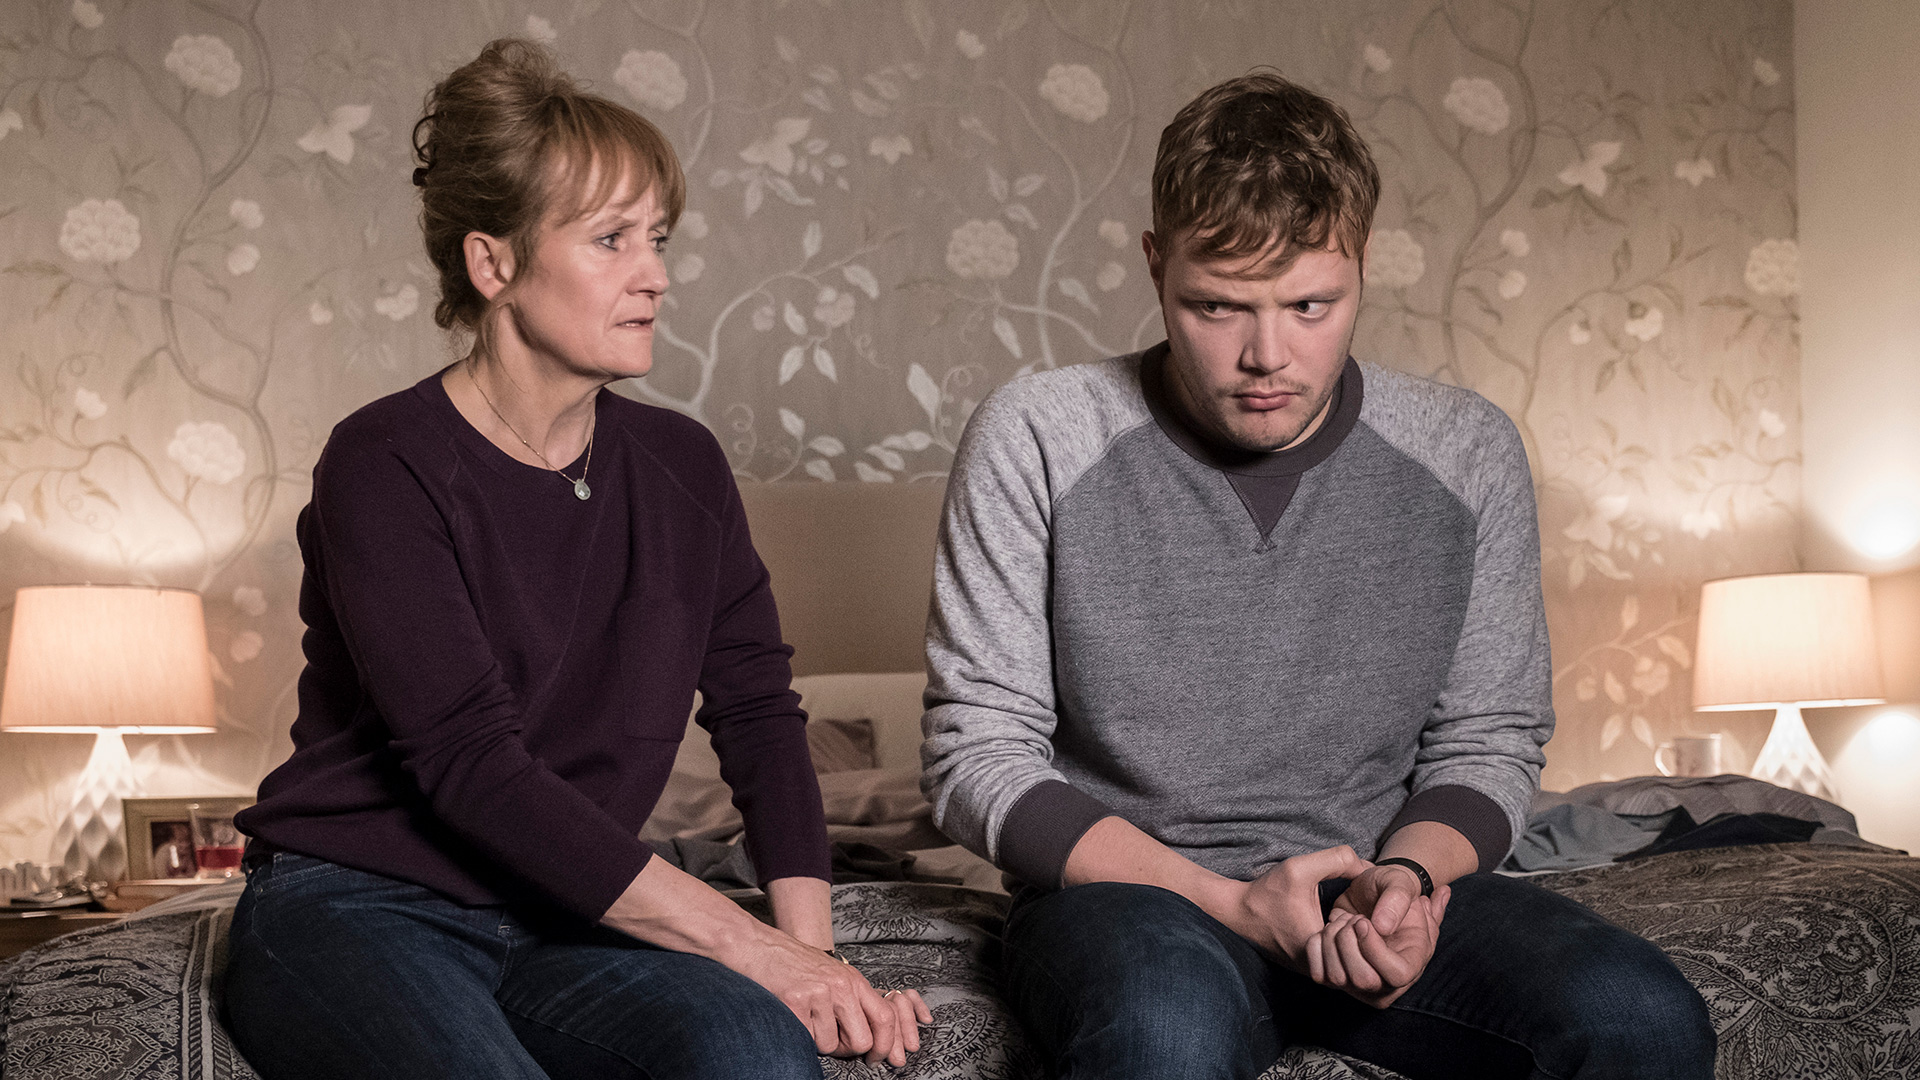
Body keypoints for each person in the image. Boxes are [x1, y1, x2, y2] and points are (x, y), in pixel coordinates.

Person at [921, 71, 1716, 1079]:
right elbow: (977, 753)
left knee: (1641, 1017)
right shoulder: (1038, 435)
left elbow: (1489, 737)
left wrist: (1407, 880)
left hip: (1373, 890)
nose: (1267, 356)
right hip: (1137, 900)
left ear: (1363, 266)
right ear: (1156, 265)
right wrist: (1231, 903)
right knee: (1164, 1039)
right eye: (1215, 306)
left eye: (1310, 305)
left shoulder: (1465, 450)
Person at [225, 39, 927, 1080]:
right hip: (358, 900)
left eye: (658, 239)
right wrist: (745, 945)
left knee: (756, 1049)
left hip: (567, 911)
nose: (657, 275)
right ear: (493, 264)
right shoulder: (384, 462)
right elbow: (472, 767)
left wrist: (810, 961)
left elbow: (758, 714)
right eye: (611, 240)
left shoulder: (684, 466)